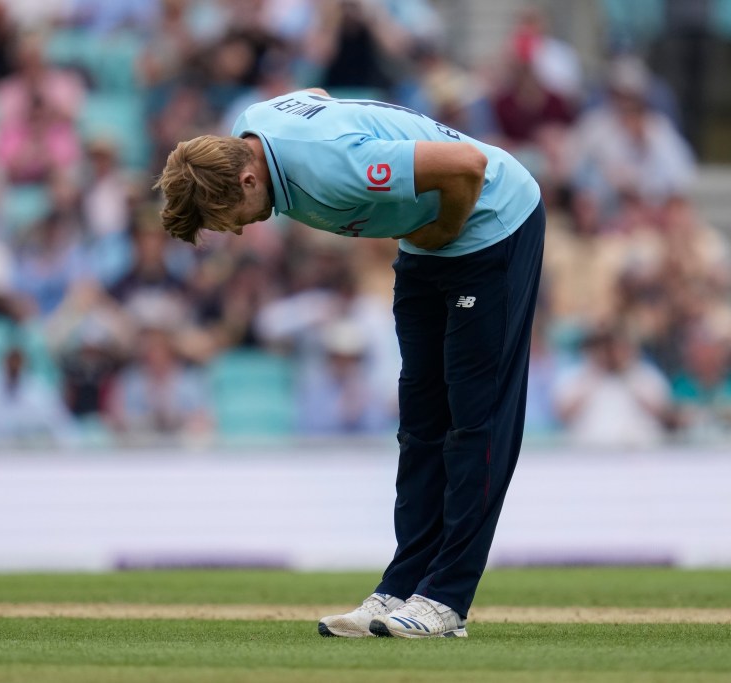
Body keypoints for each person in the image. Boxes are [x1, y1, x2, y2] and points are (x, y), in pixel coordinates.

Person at [154, 87, 545, 639]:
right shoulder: (251, 127)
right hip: (427, 248)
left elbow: (467, 164)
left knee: (475, 422)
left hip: (491, 228)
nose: (238, 230)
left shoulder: (336, 167)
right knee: (421, 426)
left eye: (229, 216)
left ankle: (446, 599)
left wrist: (442, 231)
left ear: (247, 179)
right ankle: (403, 585)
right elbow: (316, 98)